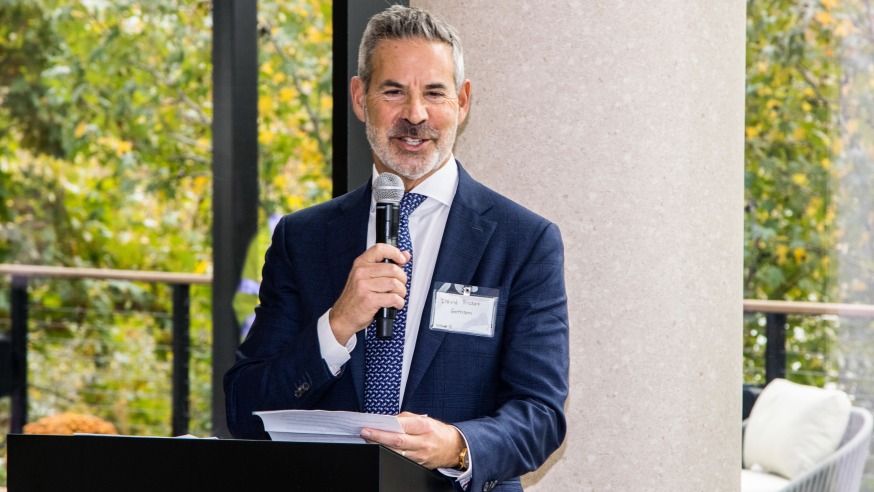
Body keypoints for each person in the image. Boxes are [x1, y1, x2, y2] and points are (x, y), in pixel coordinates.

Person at [223, 6, 569, 492]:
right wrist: (336, 325)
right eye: (393, 91)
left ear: (462, 102)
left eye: (434, 93)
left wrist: (457, 445)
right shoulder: (302, 238)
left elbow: (541, 414)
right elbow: (244, 409)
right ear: (359, 98)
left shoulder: (523, 241)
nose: (415, 114)